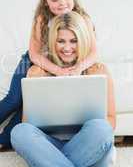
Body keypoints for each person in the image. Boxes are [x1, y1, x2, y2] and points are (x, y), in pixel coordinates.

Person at [0, 0, 98, 149]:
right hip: (36, 62)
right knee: (15, 99)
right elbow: (35, 54)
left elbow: (93, 53)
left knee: (32, 104)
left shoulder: (83, 19)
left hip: (66, 62)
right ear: (46, 1)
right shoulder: (42, 19)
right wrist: (56, 70)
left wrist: (77, 68)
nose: (62, 2)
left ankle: (4, 139)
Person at [11, 11, 116, 167]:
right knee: (20, 132)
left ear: (83, 41)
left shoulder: (98, 70)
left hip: (88, 143)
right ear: (53, 42)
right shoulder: (37, 73)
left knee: (102, 128)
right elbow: (28, 122)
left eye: (74, 41)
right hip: (49, 146)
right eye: (61, 41)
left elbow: (111, 120)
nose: (67, 48)